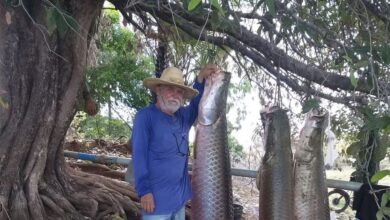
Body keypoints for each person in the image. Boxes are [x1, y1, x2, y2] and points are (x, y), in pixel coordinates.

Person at [131, 64, 220, 219]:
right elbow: (139, 157)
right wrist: (144, 191)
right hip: (156, 203)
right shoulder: (145, 117)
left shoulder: (183, 117)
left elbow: (196, 105)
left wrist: (200, 78)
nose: (175, 94)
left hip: (180, 200)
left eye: (179, 91)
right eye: (170, 89)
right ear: (158, 89)